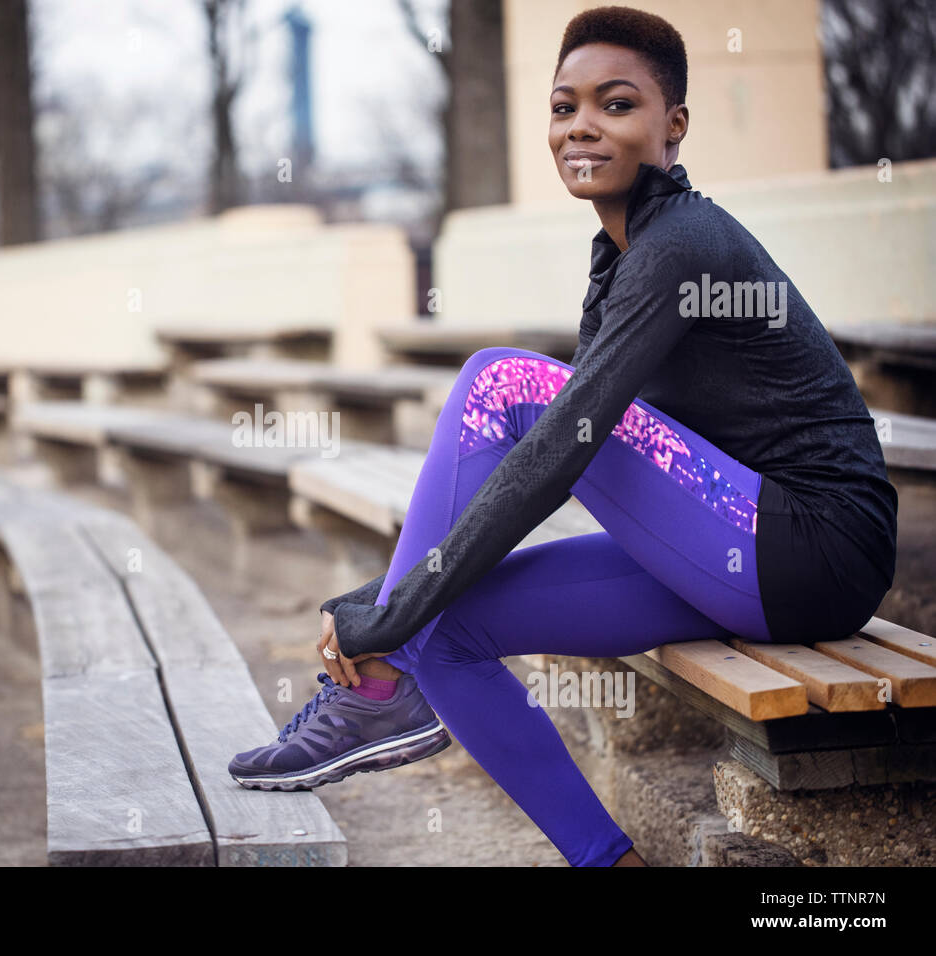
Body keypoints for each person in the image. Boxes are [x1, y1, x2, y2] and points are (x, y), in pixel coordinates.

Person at [227, 5, 898, 868]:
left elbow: (559, 451)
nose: (581, 125)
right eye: (562, 106)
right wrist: (399, 605)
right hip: (732, 547)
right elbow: (562, 458)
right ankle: (605, 859)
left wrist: (385, 608)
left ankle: (377, 679)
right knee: (448, 630)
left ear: (674, 126)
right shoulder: (619, 256)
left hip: (810, 547)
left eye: (616, 105)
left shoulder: (685, 243)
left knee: (497, 380)